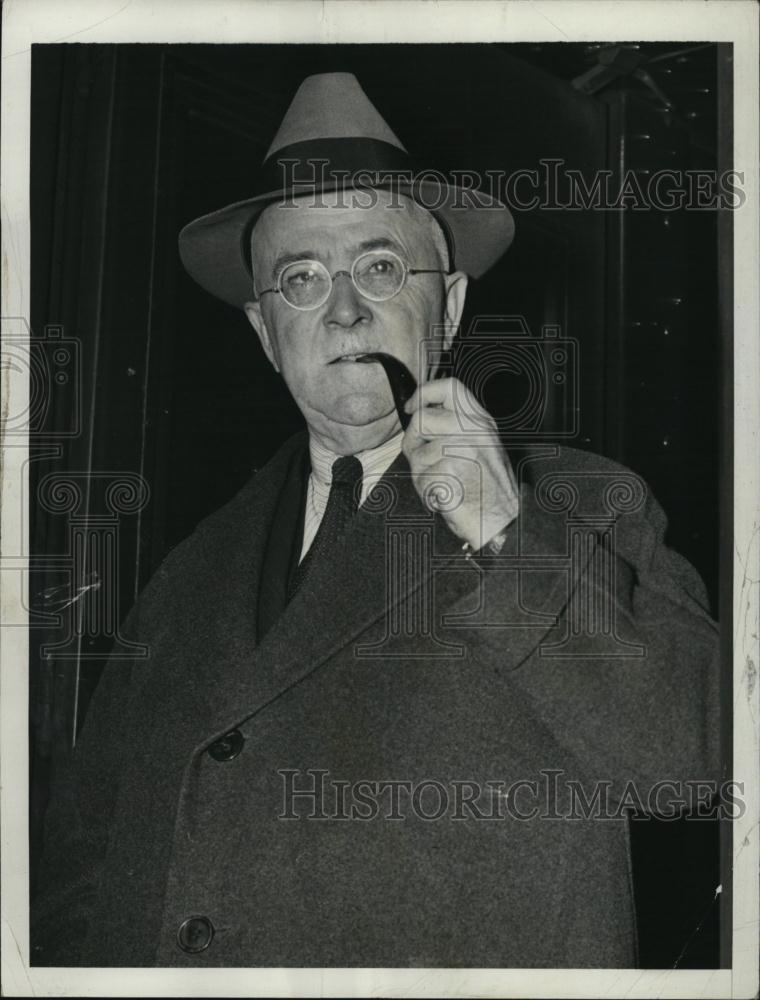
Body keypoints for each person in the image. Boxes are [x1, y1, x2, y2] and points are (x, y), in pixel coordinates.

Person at [32, 72, 720, 969]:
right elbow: (79, 867)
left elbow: (693, 766)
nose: (346, 307)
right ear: (265, 333)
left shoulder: (587, 505)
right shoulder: (187, 571)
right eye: (303, 279)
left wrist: (509, 537)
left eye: (382, 267)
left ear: (452, 307)